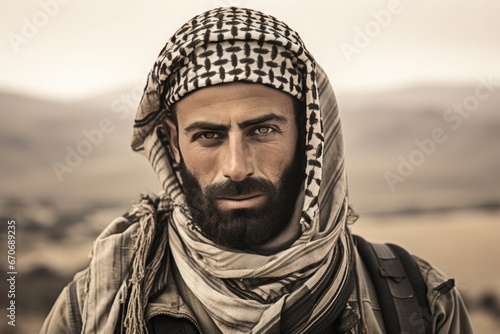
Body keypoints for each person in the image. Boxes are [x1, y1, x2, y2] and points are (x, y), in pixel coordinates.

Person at [41, 7, 473, 334]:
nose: (236, 167)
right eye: (208, 136)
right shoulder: (99, 301)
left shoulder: (416, 300)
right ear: (173, 143)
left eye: (262, 130)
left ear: (308, 134)